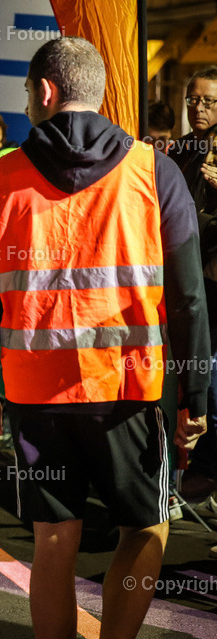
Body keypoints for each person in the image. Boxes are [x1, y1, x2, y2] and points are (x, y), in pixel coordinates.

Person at [0, 37, 209, 639]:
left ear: (45, 92)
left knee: (53, 541)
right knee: (147, 525)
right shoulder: (155, 171)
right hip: (127, 388)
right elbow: (187, 300)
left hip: (34, 390)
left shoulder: (2, 172)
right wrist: (198, 398)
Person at [169, 66, 217, 503]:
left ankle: (204, 474)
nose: (198, 108)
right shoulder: (182, 149)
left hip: (209, 282)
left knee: (210, 386)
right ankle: (176, 476)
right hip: (189, 279)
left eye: (208, 101)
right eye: (193, 99)